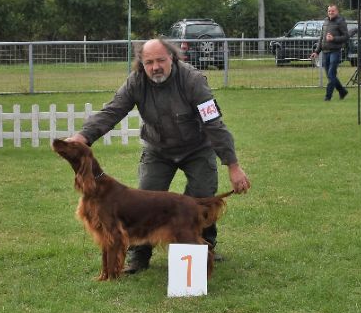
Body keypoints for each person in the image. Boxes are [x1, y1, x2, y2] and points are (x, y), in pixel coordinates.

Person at [67, 38, 250, 274]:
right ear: (141, 64)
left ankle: (203, 248)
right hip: (158, 150)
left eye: (161, 60)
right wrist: (84, 136)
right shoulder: (136, 82)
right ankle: (139, 257)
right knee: (142, 201)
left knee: (202, 195)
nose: (155, 67)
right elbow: (112, 111)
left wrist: (233, 165)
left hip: (196, 148)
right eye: (149, 62)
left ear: (172, 58)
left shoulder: (193, 81)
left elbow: (213, 123)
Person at [309, 4, 349, 101]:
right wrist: (317, 52)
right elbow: (321, 38)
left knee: (331, 74)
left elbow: (346, 36)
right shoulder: (325, 21)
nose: (331, 12)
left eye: (332, 11)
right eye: (329, 11)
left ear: (337, 11)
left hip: (335, 52)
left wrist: (333, 38)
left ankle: (328, 97)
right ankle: (342, 91)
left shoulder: (341, 21)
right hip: (325, 52)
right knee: (330, 76)